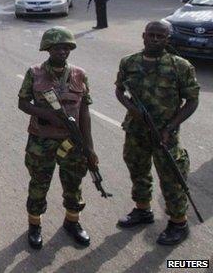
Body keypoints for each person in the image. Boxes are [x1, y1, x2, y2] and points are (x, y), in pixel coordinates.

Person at [115, 21, 200, 246]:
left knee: (172, 178)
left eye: (160, 36)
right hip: (135, 131)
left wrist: (171, 127)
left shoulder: (180, 66)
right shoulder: (129, 62)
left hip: (165, 134)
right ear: (143, 36)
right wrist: (131, 108)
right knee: (138, 170)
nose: (154, 39)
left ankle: (178, 222)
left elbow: (192, 101)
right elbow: (119, 90)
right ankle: (143, 210)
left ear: (167, 39)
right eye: (151, 35)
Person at [17, 27, 99, 249]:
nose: (62, 51)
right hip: (41, 141)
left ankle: (72, 222)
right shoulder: (34, 73)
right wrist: (48, 116)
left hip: (71, 143)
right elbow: (23, 103)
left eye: (66, 47)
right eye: (56, 47)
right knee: (38, 184)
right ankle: (34, 225)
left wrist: (89, 148)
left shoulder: (79, 74)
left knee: (73, 184)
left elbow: (84, 112)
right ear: (47, 49)